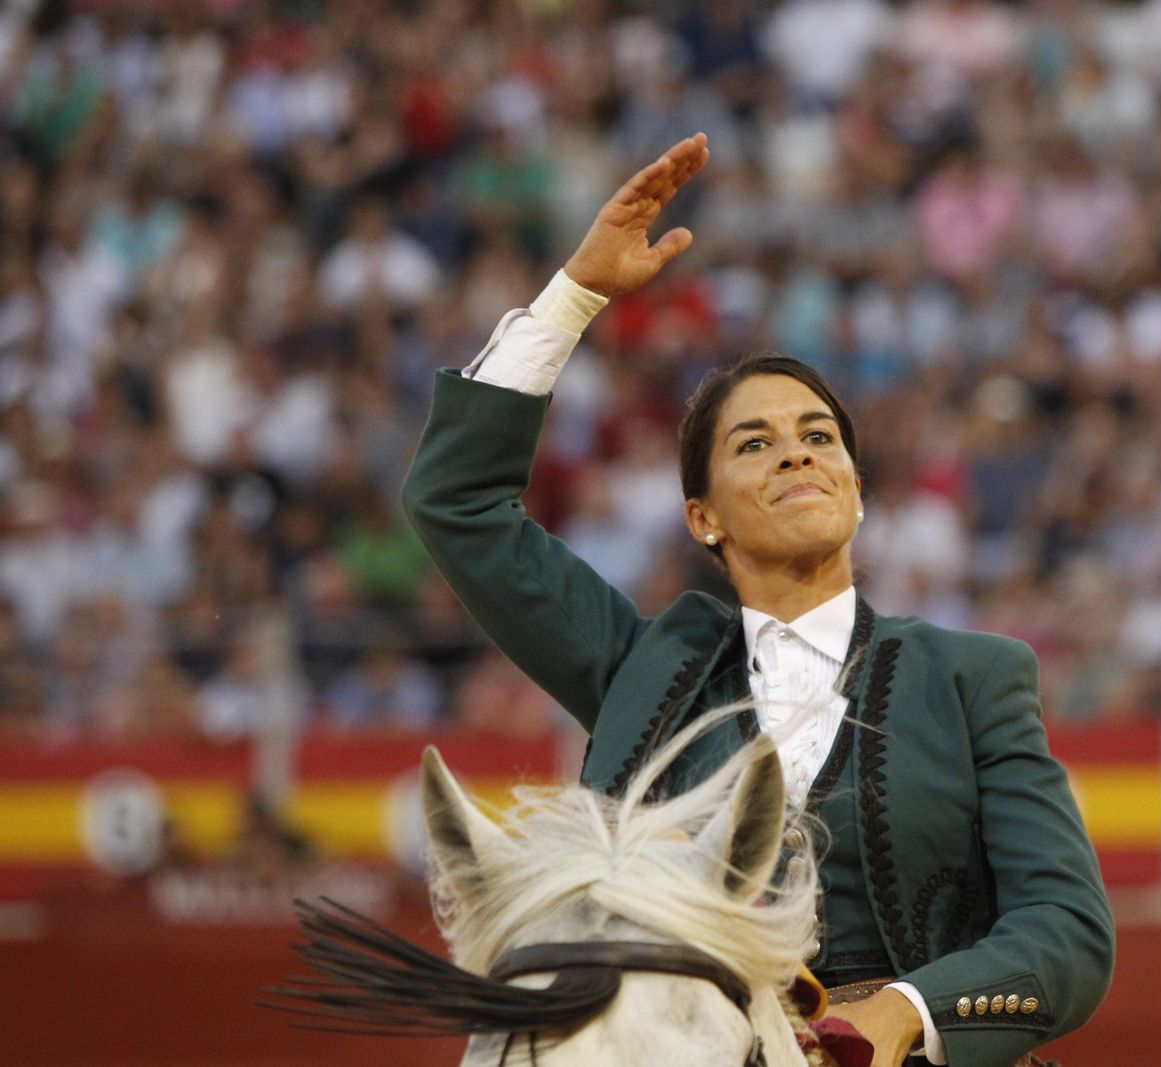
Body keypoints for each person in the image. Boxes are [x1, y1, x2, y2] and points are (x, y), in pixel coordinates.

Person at [402, 134, 1114, 1067]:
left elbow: (1067, 929)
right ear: (703, 518)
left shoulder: (973, 677)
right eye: (753, 443)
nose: (796, 452)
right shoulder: (641, 666)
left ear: (857, 487)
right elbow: (453, 502)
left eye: (819, 435)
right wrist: (576, 292)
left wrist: (906, 1009)